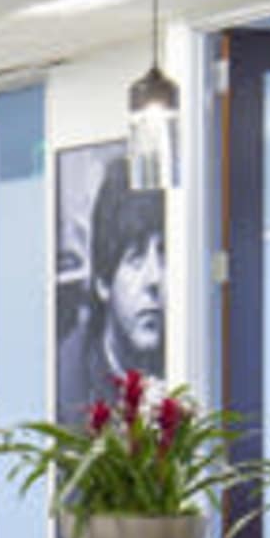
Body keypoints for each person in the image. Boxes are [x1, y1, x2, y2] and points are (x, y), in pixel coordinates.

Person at [60, 163, 168, 422]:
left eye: (164, 254)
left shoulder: (185, 360)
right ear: (103, 283)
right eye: (136, 258)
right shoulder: (68, 384)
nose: (155, 279)